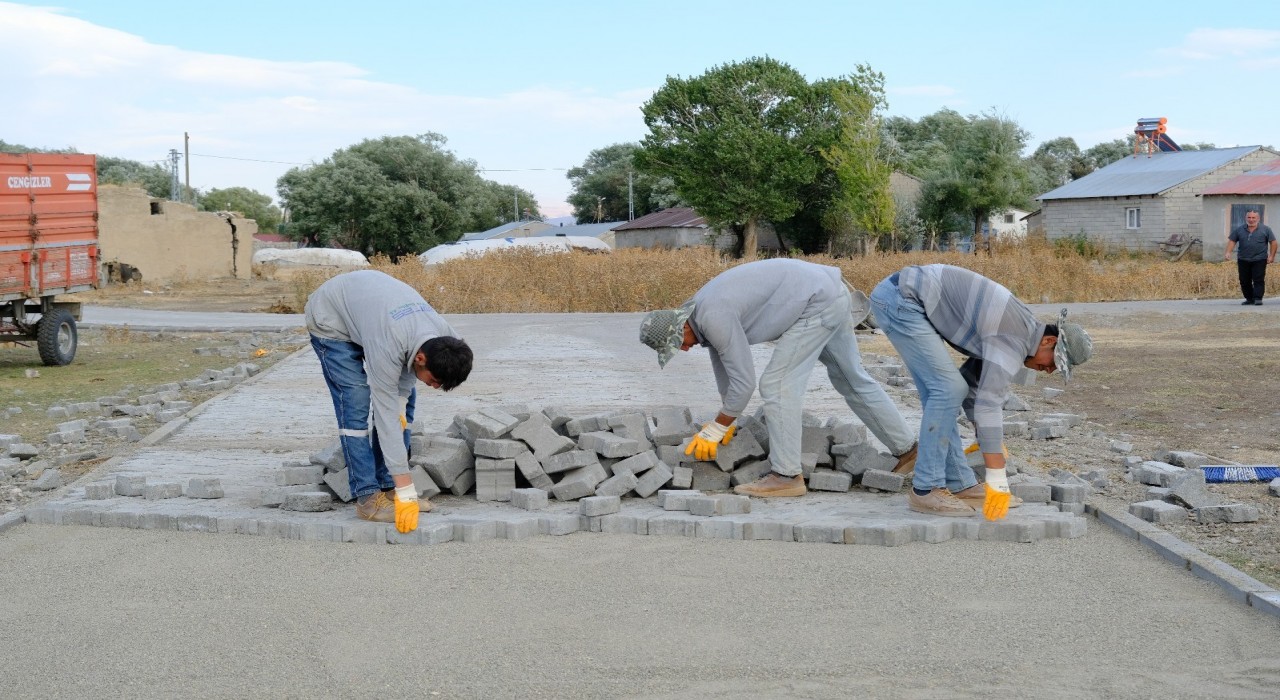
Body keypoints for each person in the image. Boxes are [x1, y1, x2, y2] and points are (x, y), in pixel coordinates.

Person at [639, 259, 918, 498]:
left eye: (678, 344)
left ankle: (786, 475)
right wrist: (728, 419)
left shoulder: (713, 316)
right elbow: (727, 367)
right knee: (851, 378)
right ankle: (908, 450)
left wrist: (717, 427)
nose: (684, 349)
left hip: (817, 302)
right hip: (831, 293)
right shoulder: (699, 312)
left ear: (681, 327)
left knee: (777, 385)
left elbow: (744, 383)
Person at [869, 264, 1092, 520]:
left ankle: (959, 483)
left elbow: (972, 388)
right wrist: (997, 477)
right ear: (1049, 341)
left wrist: (985, 437)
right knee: (947, 389)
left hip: (907, 298)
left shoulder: (1022, 331)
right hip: (901, 299)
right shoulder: (1013, 338)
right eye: (1054, 362)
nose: (1050, 371)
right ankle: (926, 489)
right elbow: (988, 404)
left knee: (946, 390)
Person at [305, 270, 473, 533]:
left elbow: (401, 392)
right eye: (434, 380)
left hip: (372, 318)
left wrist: (401, 403)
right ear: (421, 359)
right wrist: (408, 492)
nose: (434, 386)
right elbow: (386, 416)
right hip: (331, 317)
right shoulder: (389, 343)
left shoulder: (445, 337)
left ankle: (389, 486)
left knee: (405, 404)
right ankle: (367, 498)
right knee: (356, 401)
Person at [1225, 210, 1276, 306]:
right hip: (1243, 259)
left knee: (1258, 279)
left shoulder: (1266, 229)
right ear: (1246, 218)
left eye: (1253, 217)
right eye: (1249, 217)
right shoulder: (1239, 229)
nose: (1251, 220)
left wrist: (1272, 256)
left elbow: (1273, 242)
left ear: (1258, 218)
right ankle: (1249, 298)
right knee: (1244, 280)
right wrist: (1228, 252)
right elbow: (1232, 241)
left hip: (1259, 259)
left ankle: (1258, 298)